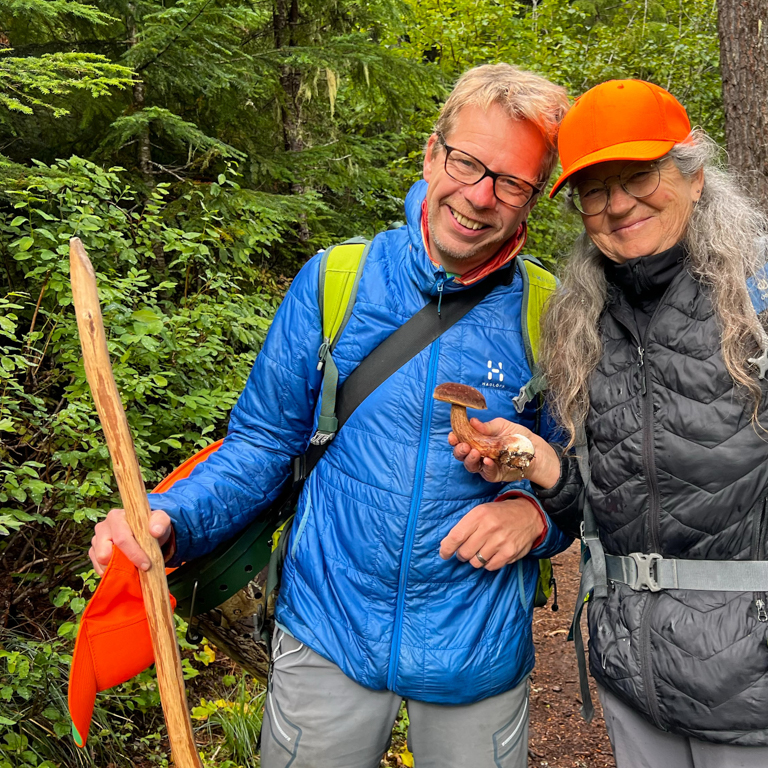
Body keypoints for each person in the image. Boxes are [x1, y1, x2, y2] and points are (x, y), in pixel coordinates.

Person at [450, 79, 768, 766]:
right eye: (594, 189)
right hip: (638, 693)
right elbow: (611, 515)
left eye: (640, 175)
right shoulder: (583, 321)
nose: (619, 204)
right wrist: (546, 468)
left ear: (692, 173)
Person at [87, 63, 572, 768]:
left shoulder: (548, 312)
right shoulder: (338, 280)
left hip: (477, 641)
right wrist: (169, 516)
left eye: (512, 181)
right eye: (468, 162)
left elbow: (585, 473)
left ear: (532, 200)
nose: (479, 196)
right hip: (330, 625)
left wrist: (535, 513)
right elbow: (261, 443)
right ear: (432, 153)